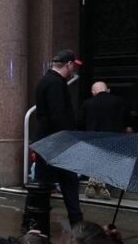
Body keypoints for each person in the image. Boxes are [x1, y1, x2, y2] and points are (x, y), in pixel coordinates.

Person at [32, 49, 83, 226]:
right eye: (73, 67)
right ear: (68, 64)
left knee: (42, 185)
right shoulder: (56, 84)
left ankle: (34, 221)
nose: (73, 72)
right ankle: (76, 222)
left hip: (47, 142)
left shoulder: (46, 81)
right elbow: (59, 115)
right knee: (67, 183)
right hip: (57, 144)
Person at [77, 81, 129, 199]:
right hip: (113, 136)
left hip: (93, 137)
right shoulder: (119, 101)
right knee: (110, 162)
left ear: (93, 92)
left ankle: (94, 179)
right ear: (108, 90)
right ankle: (105, 184)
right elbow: (125, 118)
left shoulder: (87, 103)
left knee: (96, 160)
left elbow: (80, 122)